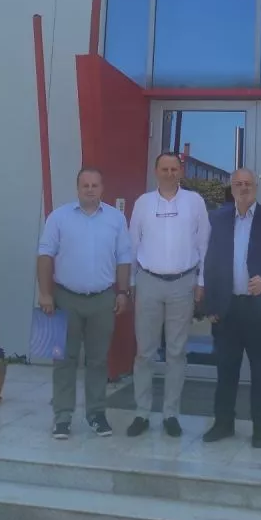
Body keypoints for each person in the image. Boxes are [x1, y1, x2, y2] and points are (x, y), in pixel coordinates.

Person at [202, 168, 261, 449]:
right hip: (227, 308)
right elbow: (210, 261)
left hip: (260, 309)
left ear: (256, 187)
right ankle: (223, 423)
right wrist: (211, 304)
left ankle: (260, 427)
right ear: (231, 188)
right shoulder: (218, 219)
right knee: (225, 370)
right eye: (238, 184)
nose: (243, 188)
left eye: (248, 184)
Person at [37, 167, 132, 440]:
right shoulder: (59, 217)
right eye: (85, 185)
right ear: (77, 188)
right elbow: (45, 255)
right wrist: (45, 294)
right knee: (63, 360)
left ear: (102, 188)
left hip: (102, 299)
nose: (90, 189)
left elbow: (124, 257)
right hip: (65, 297)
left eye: (95, 185)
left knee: (98, 361)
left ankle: (96, 414)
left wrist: (122, 292)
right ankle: (62, 417)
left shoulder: (116, 219)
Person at [127, 152, 210, 439]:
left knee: (176, 351)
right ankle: (141, 412)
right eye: (165, 168)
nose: (170, 173)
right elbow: (132, 243)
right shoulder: (143, 203)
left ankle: (171, 414)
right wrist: (131, 282)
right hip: (148, 282)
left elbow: (204, 244)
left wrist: (201, 281)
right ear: (156, 171)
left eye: (174, 168)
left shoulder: (195, 202)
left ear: (181, 172)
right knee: (144, 352)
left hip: (183, 283)